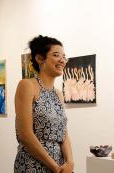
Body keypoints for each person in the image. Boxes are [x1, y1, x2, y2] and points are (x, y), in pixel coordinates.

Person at [14, 35, 74, 173]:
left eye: (64, 57)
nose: (62, 60)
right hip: (32, 164)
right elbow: (25, 134)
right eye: (56, 55)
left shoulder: (58, 94)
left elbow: (63, 133)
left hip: (59, 165)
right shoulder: (27, 86)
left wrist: (70, 162)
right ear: (40, 59)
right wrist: (54, 167)